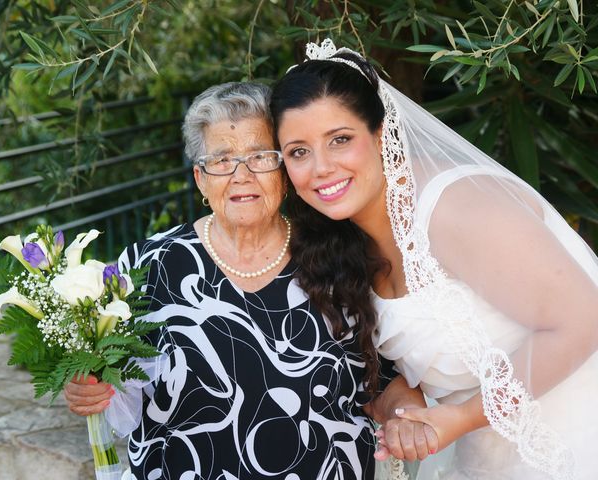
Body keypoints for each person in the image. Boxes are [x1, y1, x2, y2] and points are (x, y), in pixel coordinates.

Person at [64, 81, 435, 480]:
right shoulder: (147, 266)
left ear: (283, 170)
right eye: (222, 161)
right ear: (200, 179)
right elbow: (119, 392)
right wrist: (89, 389)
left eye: (260, 157)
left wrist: (407, 417)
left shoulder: (337, 257)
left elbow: (383, 384)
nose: (242, 175)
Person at [270, 39, 598, 480]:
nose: (321, 167)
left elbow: (584, 319)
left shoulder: (455, 209)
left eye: (340, 140)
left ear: (381, 134)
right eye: (299, 152)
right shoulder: (346, 242)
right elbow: (418, 364)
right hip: (486, 460)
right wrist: (406, 408)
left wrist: (462, 417)